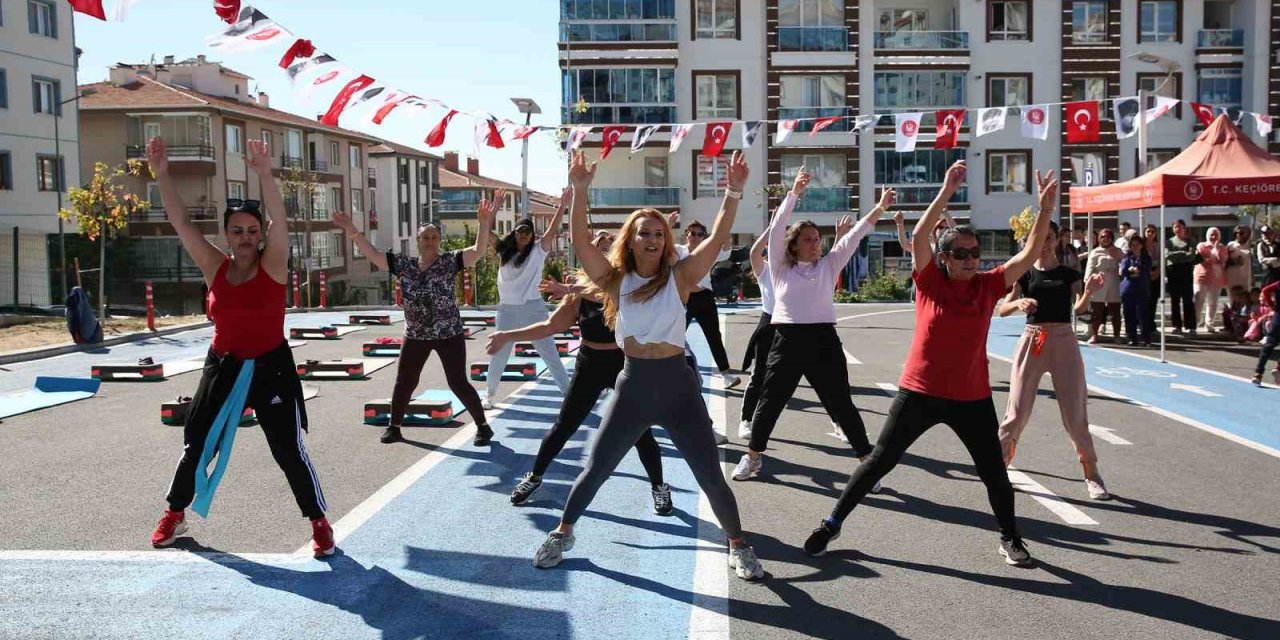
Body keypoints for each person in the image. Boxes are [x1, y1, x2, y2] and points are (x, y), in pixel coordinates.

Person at [802, 161, 1058, 568]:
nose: (971, 259)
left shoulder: (988, 285)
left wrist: (1045, 209)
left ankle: (1010, 538)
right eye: (961, 254)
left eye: (975, 253)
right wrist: (945, 190)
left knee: (994, 473)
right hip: (919, 392)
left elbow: (1027, 254)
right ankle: (831, 524)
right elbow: (921, 234)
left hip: (971, 397)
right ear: (944, 258)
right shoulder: (930, 282)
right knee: (878, 461)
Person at [533, 151, 765, 581]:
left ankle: (739, 544)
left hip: (678, 386)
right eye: (644, 233)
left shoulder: (681, 276)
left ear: (667, 239)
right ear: (631, 239)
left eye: (659, 233)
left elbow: (716, 239)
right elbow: (582, 243)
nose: (653, 239)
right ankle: (563, 532)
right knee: (597, 467)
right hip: (633, 386)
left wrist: (733, 191)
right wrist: (581, 191)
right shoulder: (615, 280)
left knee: (710, 475)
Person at [145, 137, 334, 558]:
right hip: (224, 366)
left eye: (252, 230)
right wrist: (162, 175)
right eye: (237, 231)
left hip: (271, 367)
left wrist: (266, 174)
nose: (246, 237)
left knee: (288, 450)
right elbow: (180, 223)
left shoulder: (273, 262)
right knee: (197, 443)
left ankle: (319, 522)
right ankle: (174, 514)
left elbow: (279, 222)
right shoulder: (216, 265)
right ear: (227, 235)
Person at [487, 231, 672, 514]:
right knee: (565, 424)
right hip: (589, 361)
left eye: (609, 249)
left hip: (623, 360)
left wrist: (571, 289)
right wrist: (506, 335)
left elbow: (605, 290)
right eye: (597, 249)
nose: (603, 253)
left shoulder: (626, 283)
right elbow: (549, 326)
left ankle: (659, 486)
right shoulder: (577, 292)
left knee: (640, 430)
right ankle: (534, 476)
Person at [732, 168, 893, 481]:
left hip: (823, 341)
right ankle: (753, 458)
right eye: (808, 239)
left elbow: (857, 234)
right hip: (786, 339)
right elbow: (777, 228)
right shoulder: (779, 267)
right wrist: (794, 193)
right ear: (794, 246)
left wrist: (880, 207)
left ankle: (866, 465)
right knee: (771, 401)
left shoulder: (829, 265)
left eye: (818, 239)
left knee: (841, 403)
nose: (816, 244)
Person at [332, 204, 495, 446]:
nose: (430, 241)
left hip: (448, 333)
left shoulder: (449, 261)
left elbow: (478, 251)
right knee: (405, 380)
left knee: (457, 381)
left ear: (439, 240)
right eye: (425, 237)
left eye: (434, 237)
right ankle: (394, 427)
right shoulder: (404, 265)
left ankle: (483, 427)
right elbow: (373, 254)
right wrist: (351, 229)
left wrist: (483, 223)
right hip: (416, 334)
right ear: (418, 240)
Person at [997, 221, 1110, 500]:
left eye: (1049, 237)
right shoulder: (1024, 274)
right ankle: (998, 469)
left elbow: (1079, 309)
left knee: (1075, 413)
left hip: (1063, 341)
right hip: (1032, 340)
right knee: (1017, 411)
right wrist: (1018, 304)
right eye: (1039, 237)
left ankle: (1092, 475)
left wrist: (1089, 291)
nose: (1044, 243)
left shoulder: (1069, 273)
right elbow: (1002, 309)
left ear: (1057, 239)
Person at [483, 192, 572, 407]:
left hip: (533, 309)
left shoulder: (538, 251)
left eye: (527, 232)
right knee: (498, 354)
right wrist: (493, 210)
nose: (524, 235)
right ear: (514, 234)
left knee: (550, 353)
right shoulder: (504, 252)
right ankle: (490, 395)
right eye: (520, 231)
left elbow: (552, 229)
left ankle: (569, 396)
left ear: (533, 235)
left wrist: (562, 206)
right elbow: (486, 232)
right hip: (507, 311)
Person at [675, 220, 740, 389]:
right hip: (683, 298)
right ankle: (670, 370)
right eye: (692, 233)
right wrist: (668, 224)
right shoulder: (677, 250)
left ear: (704, 237)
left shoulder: (708, 252)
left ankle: (726, 374)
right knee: (673, 335)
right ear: (686, 234)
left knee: (713, 336)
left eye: (699, 234)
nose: (695, 237)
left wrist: (724, 234)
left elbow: (725, 251)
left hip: (704, 298)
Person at [739, 215, 777, 438]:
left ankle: (838, 421)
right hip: (769, 324)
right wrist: (771, 228)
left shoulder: (795, 269)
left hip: (794, 327)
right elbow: (754, 253)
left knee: (819, 377)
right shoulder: (766, 269)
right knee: (759, 375)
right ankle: (746, 419)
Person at [1084, 228, 1123, 343]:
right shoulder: (1095, 251)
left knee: (1115, 310)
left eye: (1108, 237)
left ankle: (1117, 335)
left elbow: (1124, 263)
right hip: (1099, 281)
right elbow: (1089, 268)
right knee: (1097, 309)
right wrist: (1088, 282)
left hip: (1114, 281)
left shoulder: (1118, 250)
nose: (1106, 239)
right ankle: (1095, 335)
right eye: (1103, 237)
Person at [1119, 236, 1154, 346]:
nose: (1135, 247)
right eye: (1132, 245)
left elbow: (1144, 269)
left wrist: (1135, 270)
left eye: (1137, 244)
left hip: (1141, 289)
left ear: (1141, 245)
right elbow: (1123, 271)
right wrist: (1132, 271)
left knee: (1142, 314)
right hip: (1128, 290)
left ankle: (1146, 338)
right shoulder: (1127, 258)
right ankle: (1131, 337)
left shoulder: (1146, 258)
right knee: (1129, 314)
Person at [1166, 220, 1198, 335]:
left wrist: (1178, 255)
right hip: (1173, 272)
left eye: (1180, 227)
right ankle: (1176, 325)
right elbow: (1167, 256)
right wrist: (1182, 254)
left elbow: (1192, 256)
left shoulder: (1190, 241)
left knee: (1188, 300)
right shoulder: (1169, 241)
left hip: (1186, 271)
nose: (1178, 229)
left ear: (1184, 228)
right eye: (1175, 227)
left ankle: (1190, 326)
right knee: (1175, 300)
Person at [1194, 227, 1229, 333]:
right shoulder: (1202, 245)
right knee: (1198, 301)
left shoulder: (1222, 247)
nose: (1213, 237)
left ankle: (1209, 323)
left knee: (1213, 302)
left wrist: (1216, 247)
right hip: (1201, 277)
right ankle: (1195, 323)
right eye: (1211, 234)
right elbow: (1203, 260)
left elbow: (1223, 259)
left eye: (1215, 234)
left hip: (1216, 278)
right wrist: (1214, 259)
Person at [1252, 280, 1280, 386]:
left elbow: (1265, 290)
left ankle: (1258, 373)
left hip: (1278, 315)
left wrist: (1272, 305)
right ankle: (1278, 368)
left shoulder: (1278, 283)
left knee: (1269, 345)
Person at [1142, 224, 1162, 339]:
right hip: (1145, 275)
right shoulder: (1142, 246)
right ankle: (1143, 324)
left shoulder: (1158, 245)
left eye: (1153, 232)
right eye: (1148, 231)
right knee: (1144, 301)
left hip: (1156, 274)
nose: (1150, 234)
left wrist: (1157, 272)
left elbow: (1160, 260)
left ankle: (1151, 325)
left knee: (1153, 301)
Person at [1226, 226, 1254, 292]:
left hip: (1245, 278)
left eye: (1241, 233)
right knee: (1232, 299)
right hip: (1231, 277)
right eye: (1236, 233)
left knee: (1245, 299)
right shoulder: (1230, 245)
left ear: (1247, 234)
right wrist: (1234, 261)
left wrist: (1253, 277)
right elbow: (1224, 260)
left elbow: (1251, 263)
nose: (1238, 235)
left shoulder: (1250, 246)